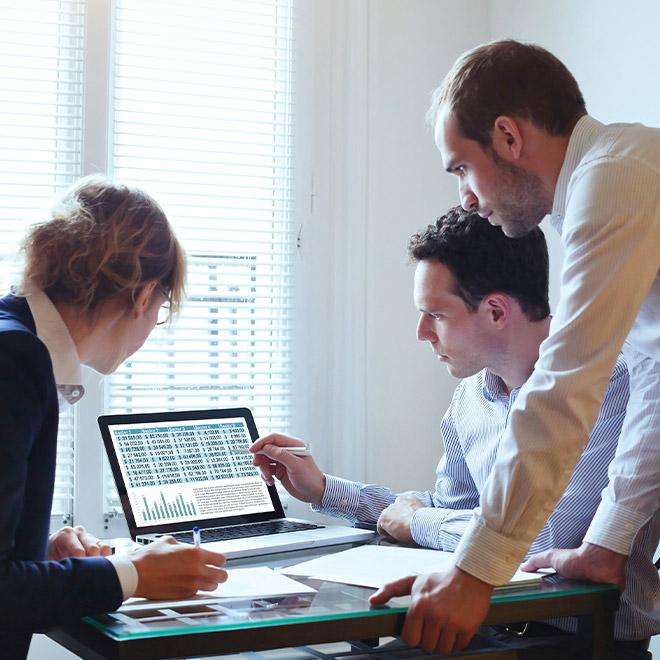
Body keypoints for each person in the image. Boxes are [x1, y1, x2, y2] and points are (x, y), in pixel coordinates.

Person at [250, 208, 658, 657]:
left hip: (583, 642)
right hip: (483, 627)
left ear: (497, 311)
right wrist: (325, 490)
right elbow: (453, 511)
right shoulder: (470, 399)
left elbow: (539, 539)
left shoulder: (612, 382)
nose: (422, 332)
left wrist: (417, 521)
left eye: (436, 315)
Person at [370, 39, 660, 656]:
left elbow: (564, 385)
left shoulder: (614, 179)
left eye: (460, 168)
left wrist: (475, 573)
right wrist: (607, 545)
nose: (465, 198)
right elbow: (657, 384)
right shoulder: (599, 189)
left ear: (507, 136)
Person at [0, 176, 227, 659]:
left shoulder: (15, 344)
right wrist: (133, 573)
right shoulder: (14, 361)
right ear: (143, 296)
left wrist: (38, 552)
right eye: (161, 308)